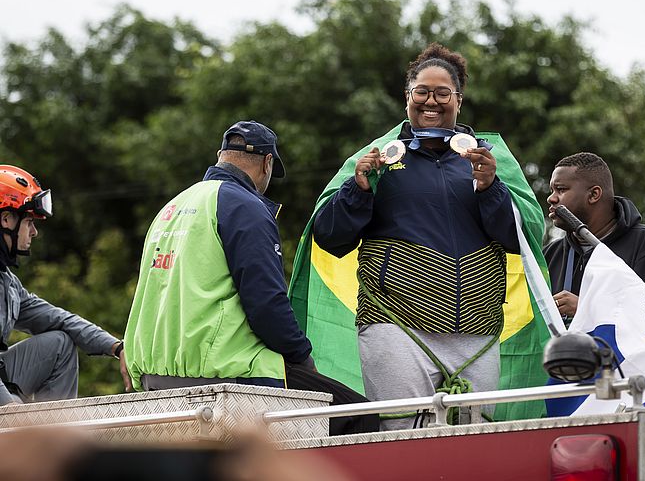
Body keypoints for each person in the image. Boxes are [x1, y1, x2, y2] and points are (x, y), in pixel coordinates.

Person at [312, 43, 520, 430]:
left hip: (477, 329)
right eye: (421, 91)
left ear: (459, 99)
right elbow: (329, 237)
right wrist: (358, 189)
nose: (432, 101)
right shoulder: (378, 159)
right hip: (396, 325)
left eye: (443, 93)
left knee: (476, 445)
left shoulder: (489, 161)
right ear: (407, 97)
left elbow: (518, 240)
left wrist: (490, 186)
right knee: (402, 440)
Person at [123, 120, 378, 436]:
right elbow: (266, 304)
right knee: (361, 416)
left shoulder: (173, 206)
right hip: (227, 374)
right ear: (268, 163)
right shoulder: (244, 205)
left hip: (154, 376)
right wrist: (301, 357)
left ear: (220, 155)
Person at [0, 165, 129, 406]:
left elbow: (60, 319)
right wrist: (11, 414)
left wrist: (116, 347)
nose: (35, 232)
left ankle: (54, 435)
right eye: (29, 222)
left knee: (59, 343)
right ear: (6, 219)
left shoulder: (8, 283)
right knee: (14, 420)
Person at [544, 152, 645, 338]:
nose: (551, 198)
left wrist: (588, 309)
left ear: (594, 195)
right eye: (552, 190)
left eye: (561, 189)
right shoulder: (551, 254)